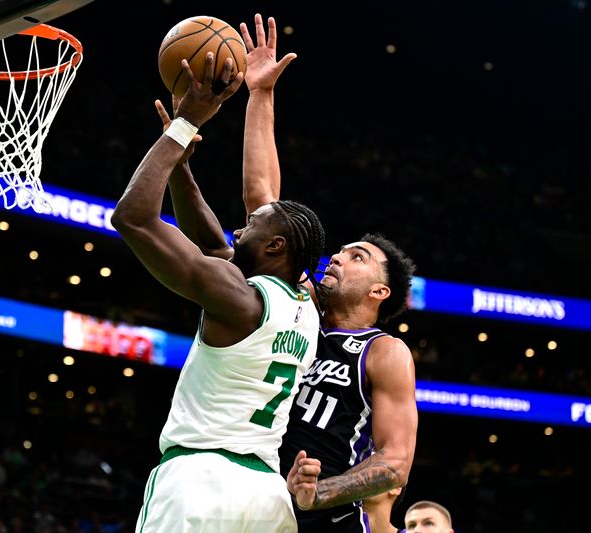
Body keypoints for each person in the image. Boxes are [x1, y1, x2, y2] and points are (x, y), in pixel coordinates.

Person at [159, 13, 418, 532]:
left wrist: (319, 494)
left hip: (329, 517)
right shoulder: (298, 307)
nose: (339, 257)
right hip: (256, 501)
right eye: (341, 250)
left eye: (358, 257)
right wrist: (260, 95)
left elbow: (396, 463)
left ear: (380, 290)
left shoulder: (384, 352)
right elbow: (264, 203)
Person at [112, 49, 327, 532]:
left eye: (249, 225)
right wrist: (181, 169)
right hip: (266, 495)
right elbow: (211, 241)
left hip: (200, 480)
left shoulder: (238, 297)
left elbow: (132, 218)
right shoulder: (304, 303)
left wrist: (183, 125)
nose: (237, 229)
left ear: (274, 246)